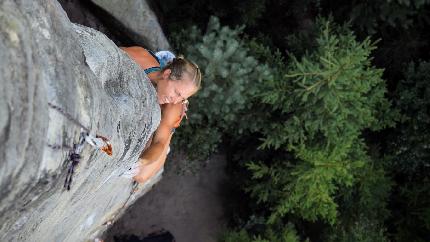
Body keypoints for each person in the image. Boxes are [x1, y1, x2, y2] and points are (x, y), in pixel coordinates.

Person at [120, 46, 201, 184]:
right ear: (166, 74)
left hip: (168, 121)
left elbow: (159, 142)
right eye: (177, 92)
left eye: (182, 98)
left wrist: (141, 162)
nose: (176, 100)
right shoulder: (141, 59)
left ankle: (169, 135)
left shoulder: (173, 106)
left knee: (141, 176)